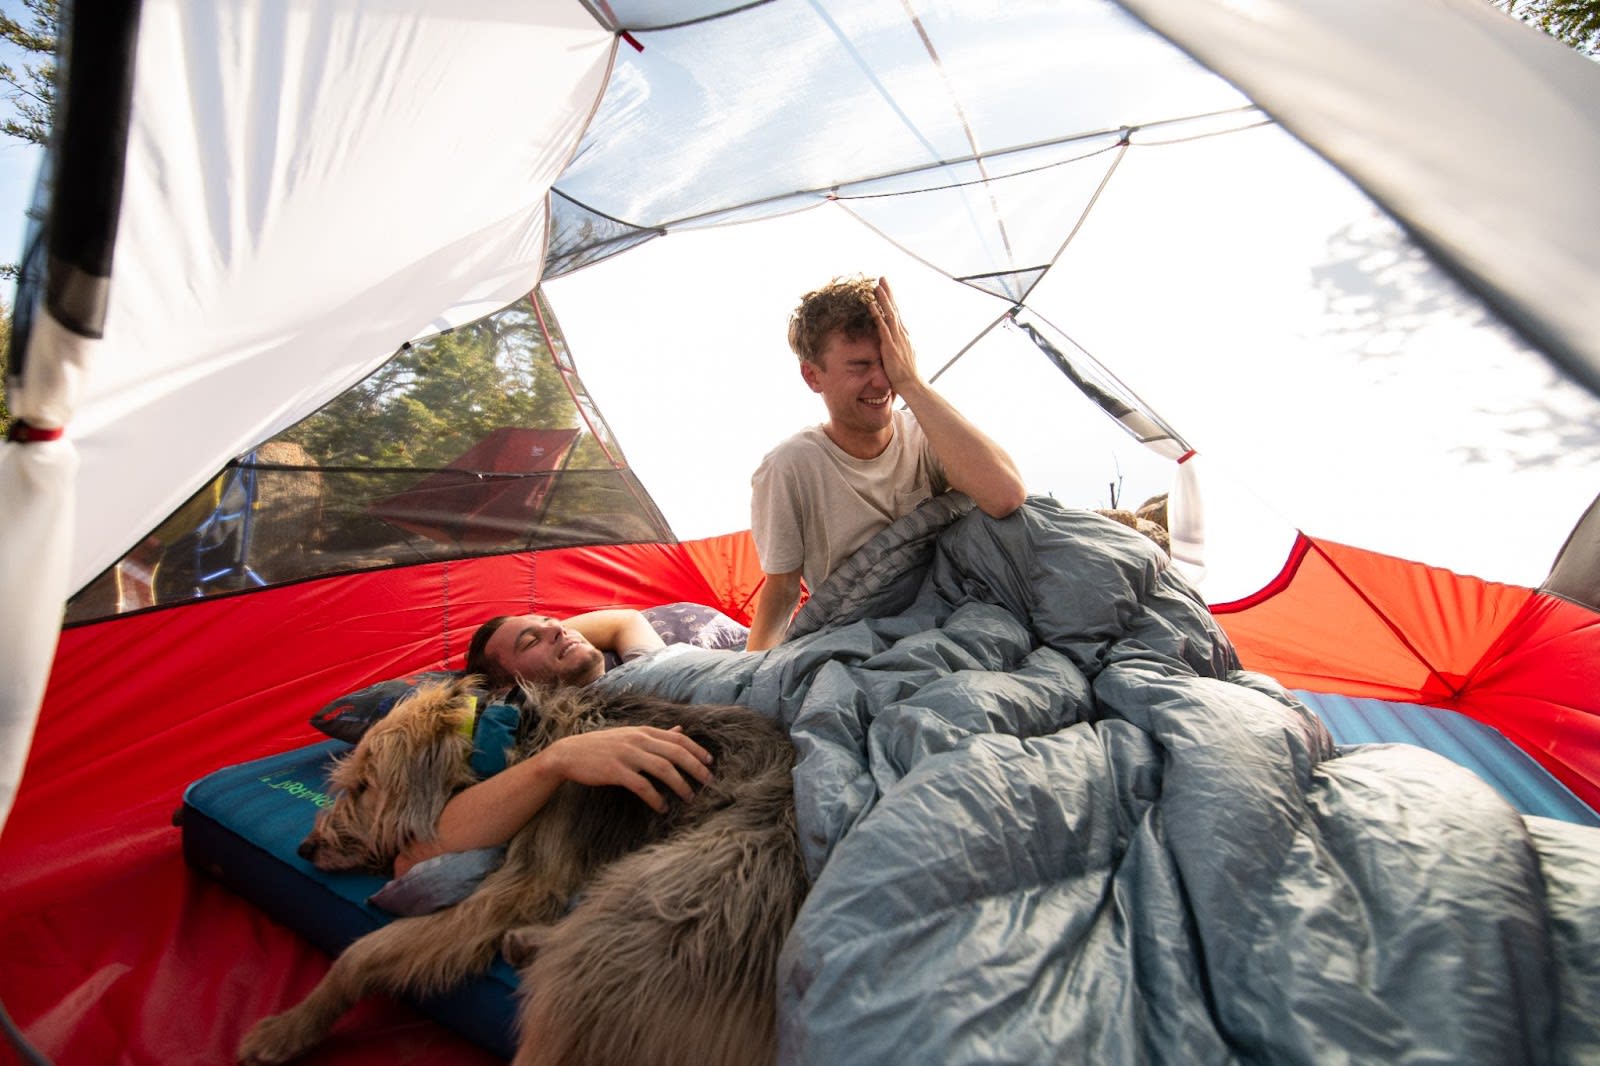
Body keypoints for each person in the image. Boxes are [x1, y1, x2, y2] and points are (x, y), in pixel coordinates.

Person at [746, 275, 1026, 650]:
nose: (881, 381)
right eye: (860, 367)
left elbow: (1007, 496)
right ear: (813, 376)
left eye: (888, 362)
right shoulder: (790, 467)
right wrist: (750, 673)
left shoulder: (927, 433)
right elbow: (782, 593)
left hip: (954, 613)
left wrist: (911, 382)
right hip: (858, 633)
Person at [394, 609, 711, 877]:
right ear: (507, 688)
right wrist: (557, 759)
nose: (560, 629)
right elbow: (417, 853)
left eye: (554, 621)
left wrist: (552, 634)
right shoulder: (541, 731)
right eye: (531, 641)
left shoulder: (645, 660)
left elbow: (625, 620)